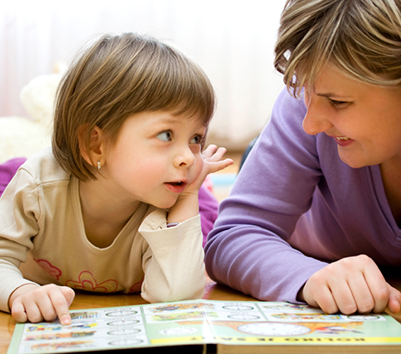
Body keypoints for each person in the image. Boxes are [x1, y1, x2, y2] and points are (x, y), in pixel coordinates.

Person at [205, 0, 401, 315]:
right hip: (297, 221)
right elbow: (232, 237)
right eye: (306, 91)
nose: (312, 123)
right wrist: (308, 277)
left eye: (338, 101)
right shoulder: (303, 113)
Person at [0, 32, 233, 325]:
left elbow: (176, 297)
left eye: (196, 138)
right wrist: (18, 290)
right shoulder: (38, 185)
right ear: (96, 144)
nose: (187, 156)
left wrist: (189, 195)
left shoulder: (162, 201)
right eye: (166, 134)